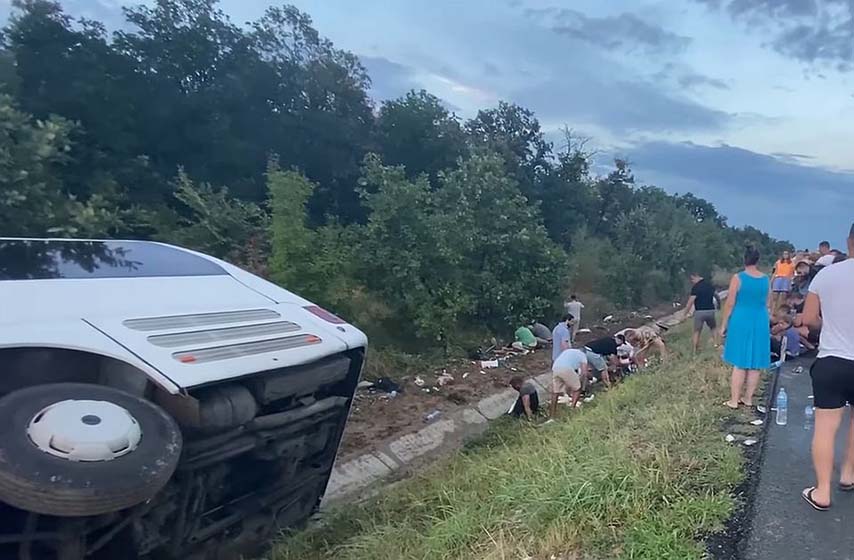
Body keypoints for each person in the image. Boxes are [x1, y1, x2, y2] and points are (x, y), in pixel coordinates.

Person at [800, 223, 854, 511]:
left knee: (825, 427)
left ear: (848, 241)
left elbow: (809, 320)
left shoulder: (826, 275)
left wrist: (829, 323)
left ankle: (822, 492)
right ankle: (848, 474)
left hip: (832, 360)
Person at [720, 246, 771, 409]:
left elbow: (730, 303)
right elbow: (769, 302)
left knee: (740, 361)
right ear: (758, 260)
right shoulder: (765, 279)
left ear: (744, 259)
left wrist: (723, 324)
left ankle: (734, 400)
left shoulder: (738, 277)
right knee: (755, 362)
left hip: (741, 319)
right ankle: (748, 398)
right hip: (760, 319)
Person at [685, 272, 720, 353]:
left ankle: (694, 350)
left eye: (692, 279)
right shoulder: (709, 285)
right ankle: (716, 344)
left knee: (697, 331)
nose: (692, 281)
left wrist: (685, 313)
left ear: (696, 276)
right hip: (710, 311)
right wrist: (718, 306)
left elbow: (690, 302)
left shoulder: (696, 287)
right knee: (713, 328)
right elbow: (717, 295)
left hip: (699, 312)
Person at [549, 348, 588, 416]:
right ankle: (572, 410)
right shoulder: (583, 355)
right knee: (578, 389)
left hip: (555, 368)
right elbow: (584, 373)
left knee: (555, 393)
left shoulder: (569, 351)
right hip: (566, 368)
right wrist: (580, 382)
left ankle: (552, 416)